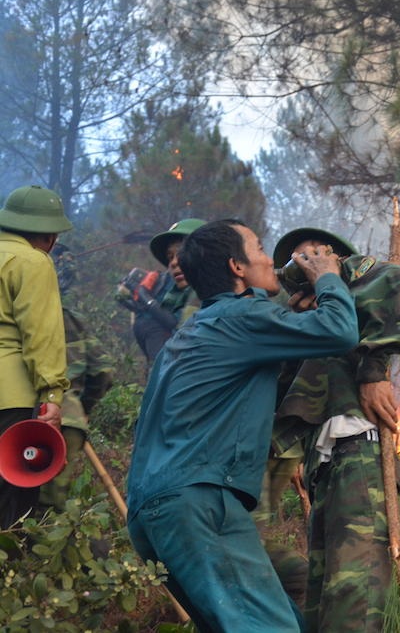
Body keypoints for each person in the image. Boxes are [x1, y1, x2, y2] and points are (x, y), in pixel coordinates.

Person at [125, 219, 359, 632]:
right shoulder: (245, 317)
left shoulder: (191, 332)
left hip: (151, 513)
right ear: (237, 266)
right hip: (199, 502)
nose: (270, 259)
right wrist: (327, 278)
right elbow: (340, 331)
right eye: (259, 247)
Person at [271, 227, 400, 633]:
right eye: (295, 262)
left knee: (358, 604)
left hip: (361, 460)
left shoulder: (354, 284)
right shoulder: (306, 324)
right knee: (325, 608)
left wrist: (373, 370)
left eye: (313, 255)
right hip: (327, 474)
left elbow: (391, 276)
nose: (305, 264)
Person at [0, 185, 73, 528]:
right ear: (49, 235)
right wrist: (52, 396)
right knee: (12, 510)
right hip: (11, 402)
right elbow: (41, 335)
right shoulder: (33, 261)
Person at [38, 245, 114, 513]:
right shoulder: (71, 317)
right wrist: (81, 409)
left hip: (30, 417)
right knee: (54, 502)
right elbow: (102, 371)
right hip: (68, 419)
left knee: (39, 506)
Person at [117, 218, 205, 363]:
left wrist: (147, 301)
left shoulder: (223, 295)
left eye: (182, 253)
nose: (174, 262)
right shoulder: (170, 287)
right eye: (170, 257)